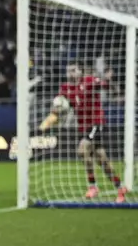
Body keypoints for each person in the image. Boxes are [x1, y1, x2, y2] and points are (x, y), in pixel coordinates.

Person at [39, 63, 126, 203]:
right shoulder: (65, 88)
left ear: (81, 71)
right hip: (83, 127)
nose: (71, 74)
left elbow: (107, 86)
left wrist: (108, 80)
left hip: (97, 123)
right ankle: (120, 187)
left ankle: (93, 186)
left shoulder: (89, 81)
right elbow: (56, 109)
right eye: (68, 71)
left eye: (74, 70)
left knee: (82, 150)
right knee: (102, 159)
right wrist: (50, 119)